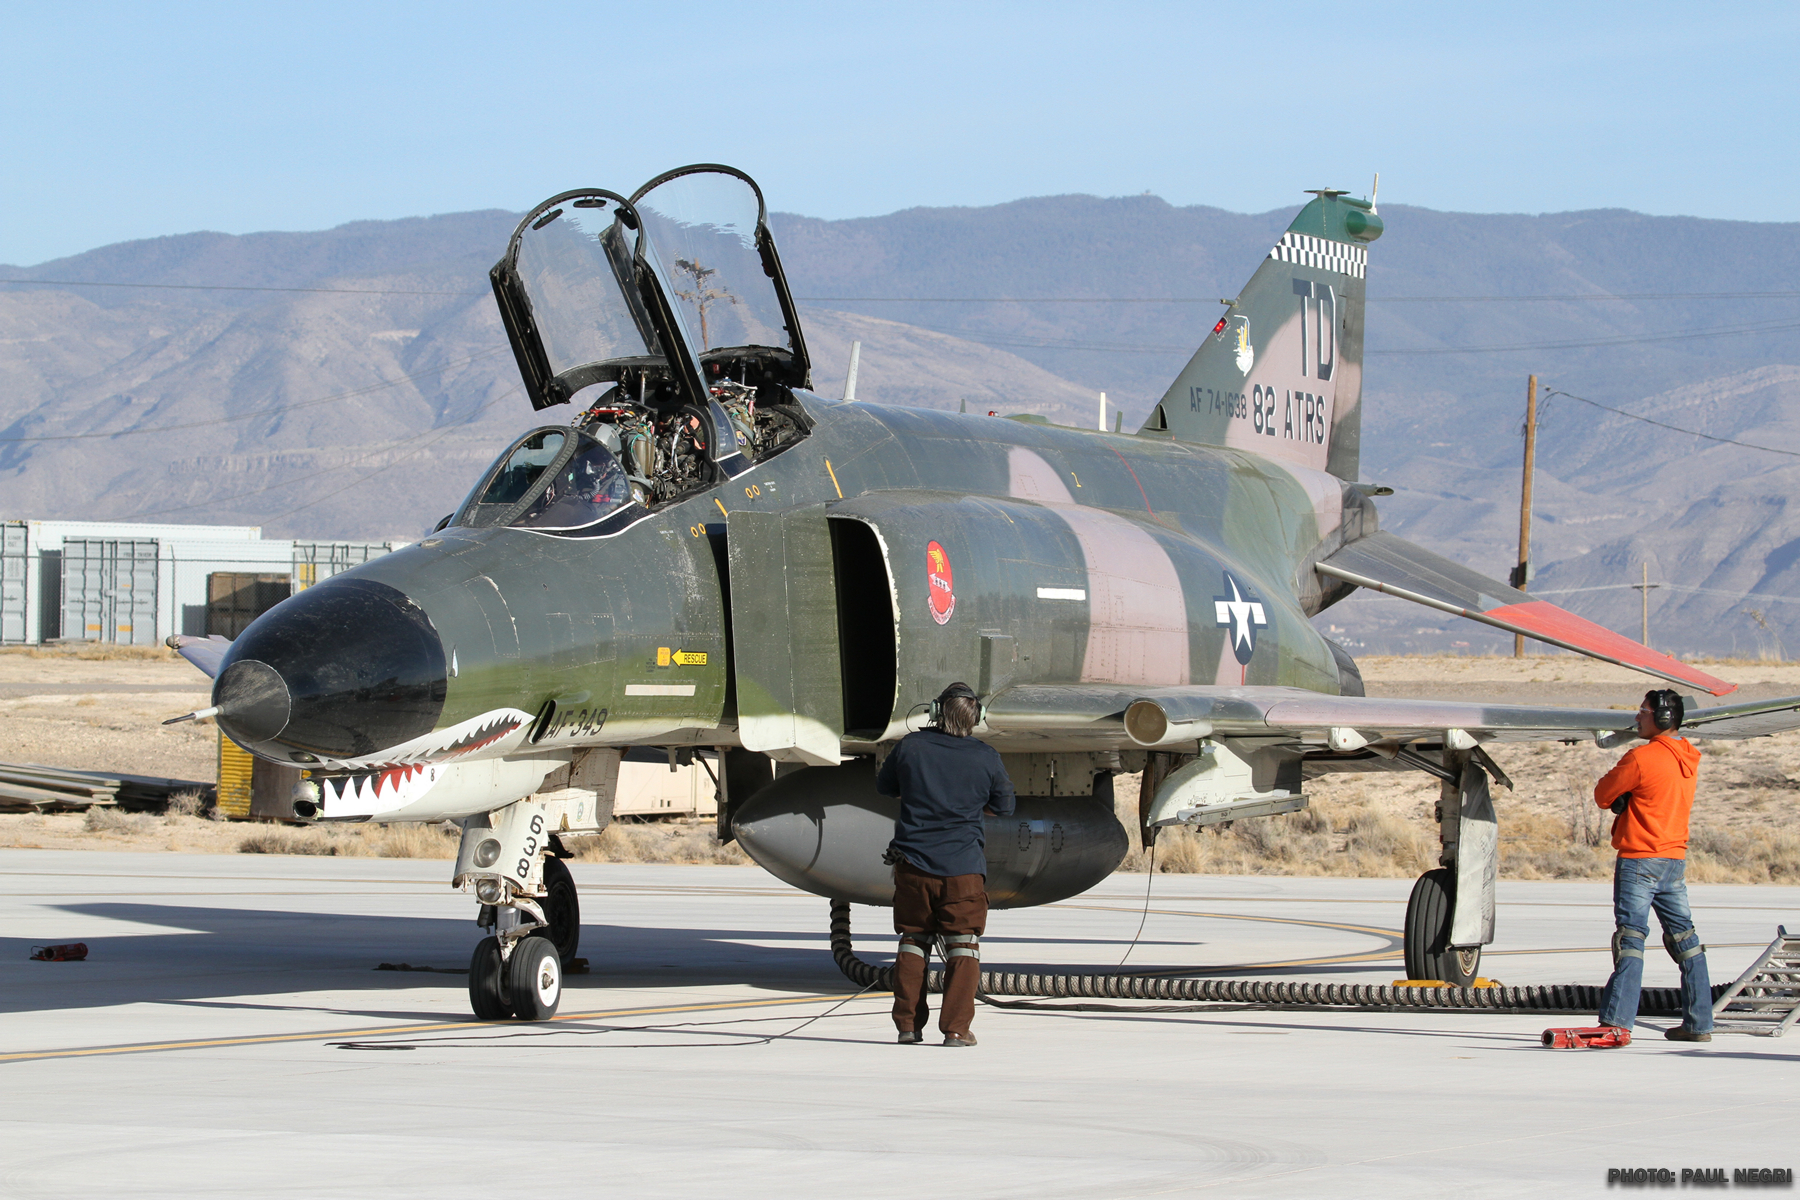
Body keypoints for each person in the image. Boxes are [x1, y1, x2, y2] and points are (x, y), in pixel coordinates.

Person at [876, 682, 1015, 1047]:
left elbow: (885, 787)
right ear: (977, 718)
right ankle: (955, 1030)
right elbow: (1005, 807)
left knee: (912, 943)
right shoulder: (986, 757)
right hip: (963, 871)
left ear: (936, 713)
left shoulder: (910, 747)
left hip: (913, 867)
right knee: (963, 947)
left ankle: (908, 1027)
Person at [1593, 688, 1714, 1043]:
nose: (1637, 717)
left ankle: (1617, 1022)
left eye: (1642, 712)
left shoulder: (1642, 758)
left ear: (1660, 718)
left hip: (1639, 860)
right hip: (1673, 861)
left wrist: (1625, 796)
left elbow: (1602, 795)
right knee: (1686, 942)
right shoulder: (1688, 756)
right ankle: (1699, 1022)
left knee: (1630, 939)